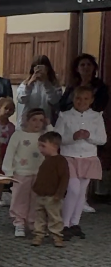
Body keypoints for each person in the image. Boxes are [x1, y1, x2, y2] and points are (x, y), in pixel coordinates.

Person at [56, 85, 106, 239]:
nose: (81, 101)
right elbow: (57, 139)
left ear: (91, 100)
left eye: (85, 99)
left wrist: (89, 135)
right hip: (69, 156)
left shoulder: (97, 117)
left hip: (88, 157)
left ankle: (74, 223)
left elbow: (102, 139)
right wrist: (73, 137)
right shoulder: (64, 116)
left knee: (81, 193)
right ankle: (63, 224)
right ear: (73, 98)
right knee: (73, 189)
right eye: (78, 98)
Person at [2, 106, 47, 238]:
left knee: (36, 199)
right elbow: (10, 153)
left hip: (38, 172)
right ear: (27, 120)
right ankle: (19, 222)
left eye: (41, 120)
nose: (37, 123)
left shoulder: (43, 136)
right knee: (19, 198)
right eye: (34, 120)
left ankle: (33, 223)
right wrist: (8, 171)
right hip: (21, 172)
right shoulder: (19, 135)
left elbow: (54, 138)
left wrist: (49, 125)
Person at [30, 131, 69, 247]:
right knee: (39, 217)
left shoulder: (60, 161)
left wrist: (60, 193)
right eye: (39, 146)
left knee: (55, 217)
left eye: (43, 146)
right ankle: (39, 235)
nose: (40, 149)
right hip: (41, 194)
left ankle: (57, 236)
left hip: (53, 196)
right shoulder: (45, 160)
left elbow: (64, 178)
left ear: (54, 146)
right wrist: (36, 188)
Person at [16, 54, 62, 125]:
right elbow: (21, 99)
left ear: (47, 68)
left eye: (42, 67)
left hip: (46, 122)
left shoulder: (54, 84)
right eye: (37, 67)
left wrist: (46, 83)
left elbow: (54, 101)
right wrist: (30, 84)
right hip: (28, 123)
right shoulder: (26, 83)